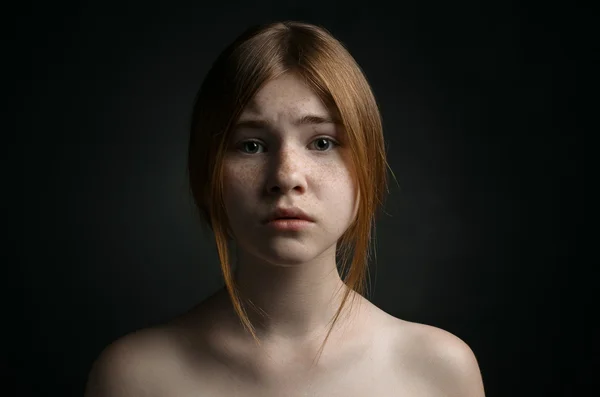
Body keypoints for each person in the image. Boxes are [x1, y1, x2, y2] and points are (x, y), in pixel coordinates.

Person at [85, 21, 486, 396]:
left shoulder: (438, 372)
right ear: (207, 176)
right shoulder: (134, 378)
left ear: (368, 171)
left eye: (322, 142)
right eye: (251, 145)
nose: (287, 176)